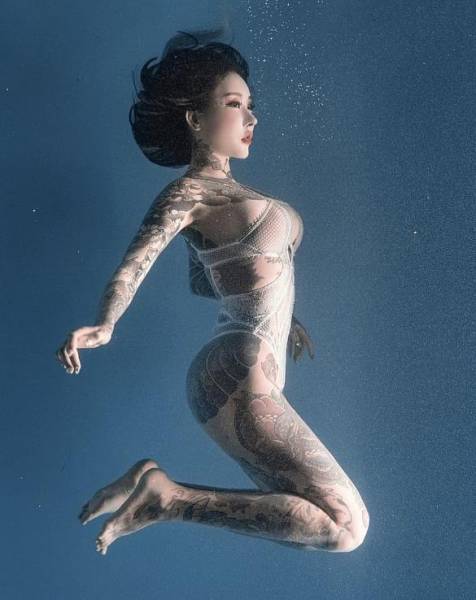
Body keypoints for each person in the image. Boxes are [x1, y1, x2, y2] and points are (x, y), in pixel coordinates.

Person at [55, 27, 369, 555]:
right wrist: (106, 323)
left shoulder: (233, 196)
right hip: (236, 367)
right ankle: (168, 499)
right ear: (195, 120)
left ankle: (156, 486)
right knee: (345, 527)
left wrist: (285, 314)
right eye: (234, 104)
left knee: (318, 518)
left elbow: (207, 279)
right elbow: (135, 263)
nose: (251, 118)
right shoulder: (189, 192)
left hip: (248, 368)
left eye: (250, 106)